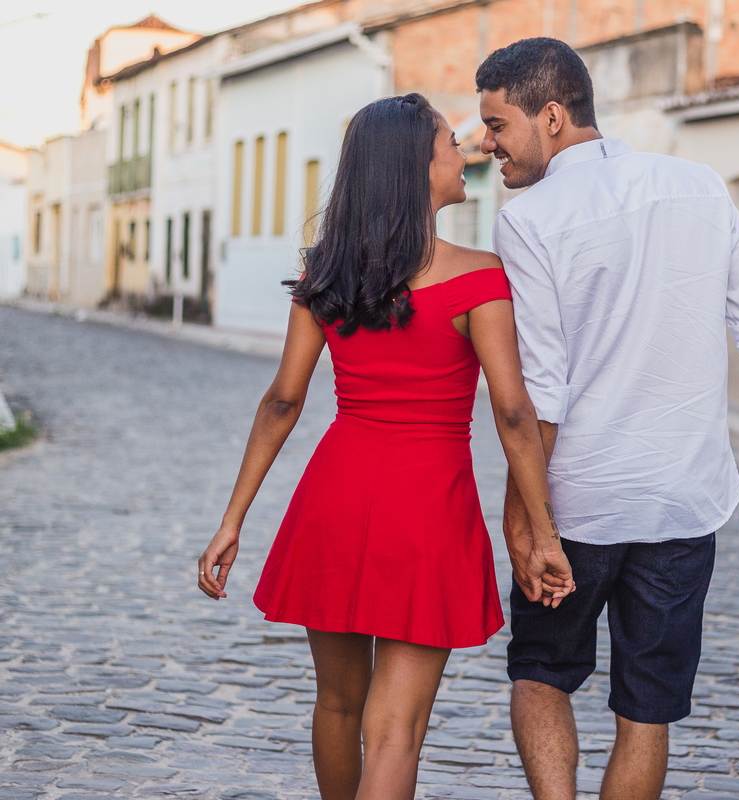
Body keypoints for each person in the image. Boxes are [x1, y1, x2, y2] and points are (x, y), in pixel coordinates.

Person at [195, 93, 575, 800]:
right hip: (427, 509)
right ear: (412, 166)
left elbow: (283, 399)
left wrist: (232, 520)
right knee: (395, 729)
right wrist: (543, 532)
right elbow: (516, 414)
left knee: (337, 705)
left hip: (333, 499)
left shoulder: (328, 277)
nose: (464, 154)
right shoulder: (479, 277)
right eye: (448, 144)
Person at [476, 39, 739, 800]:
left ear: (551, 117)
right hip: (684, 502)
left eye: (498, 126)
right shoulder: (698, 186)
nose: (488, 146)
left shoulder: (528, 221)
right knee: (646, 713)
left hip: (580, 506)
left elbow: (540, 394)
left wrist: (525, 516)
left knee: (540, 674)